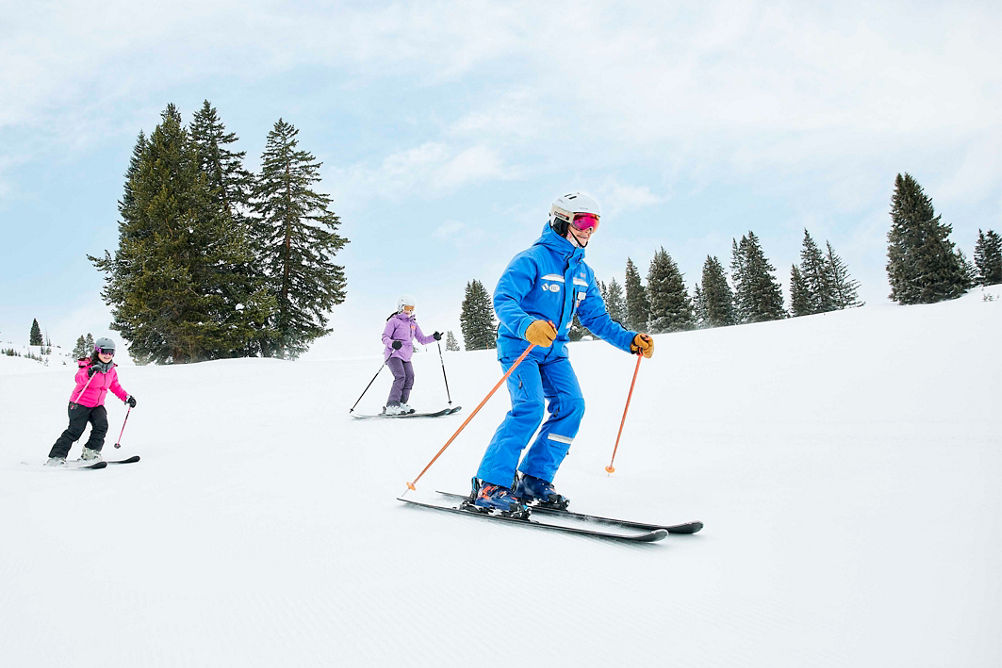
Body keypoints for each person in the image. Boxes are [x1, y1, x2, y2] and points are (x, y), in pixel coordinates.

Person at [470, 192, 654, 513]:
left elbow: (596, 318)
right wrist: (527, 325)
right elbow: (504, 299)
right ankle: (490, 484)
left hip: (554, 351)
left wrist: (629, 341)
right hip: (521, 346)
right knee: (528, 409)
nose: (588, 230)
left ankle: (535, 479)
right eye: (582, 221)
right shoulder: (532, 259)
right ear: (561, 220)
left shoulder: (583, 272)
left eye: (594, 224)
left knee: (572, 406)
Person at [46, 337, 137, 465]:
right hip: (79, 403)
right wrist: (89, 372)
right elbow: (79, 378)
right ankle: (56, 457)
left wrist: (126, 397)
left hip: (97, 405)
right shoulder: (88, 365)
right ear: (98, 351)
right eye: (105, 351)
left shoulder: (111, 370)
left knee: (101, 426)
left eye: (111, 352)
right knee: (75, 430)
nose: (107, 355)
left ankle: (91, 452)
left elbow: (115, 386)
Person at [381, 296, 442, 415]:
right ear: (400, 307)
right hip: (393, 354)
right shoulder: (393, 321)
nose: (409, 310)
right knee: (400, 376)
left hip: (406, 355)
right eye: (407, 307)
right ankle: (392, 405)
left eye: (411, 308)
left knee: (410, 377)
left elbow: (423, 339)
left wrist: (434, 337)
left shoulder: (413, 324)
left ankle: (402, 403)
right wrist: (393, 343)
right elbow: (385, 337)